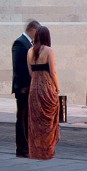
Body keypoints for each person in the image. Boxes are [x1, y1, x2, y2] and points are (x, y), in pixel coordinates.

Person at [27, 25, 60, 160]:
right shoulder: (49, 51)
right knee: (48, 121)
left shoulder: (29, 51)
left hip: (33, 88)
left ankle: (35, 151)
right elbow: (53, 72)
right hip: (46, 87)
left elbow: (31, 72)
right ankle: (46, 151)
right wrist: (57, 87)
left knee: (36, 121)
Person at [11, 20, 40, 158]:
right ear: (33, 29)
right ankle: (21, 149)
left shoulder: (28, 43)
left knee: (27, 118)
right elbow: (18, 67)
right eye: (37, 32)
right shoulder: (20, 43)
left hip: (28, 88)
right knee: (22, 119)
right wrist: (23, 86)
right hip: (23, 88)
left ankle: (27, 146)